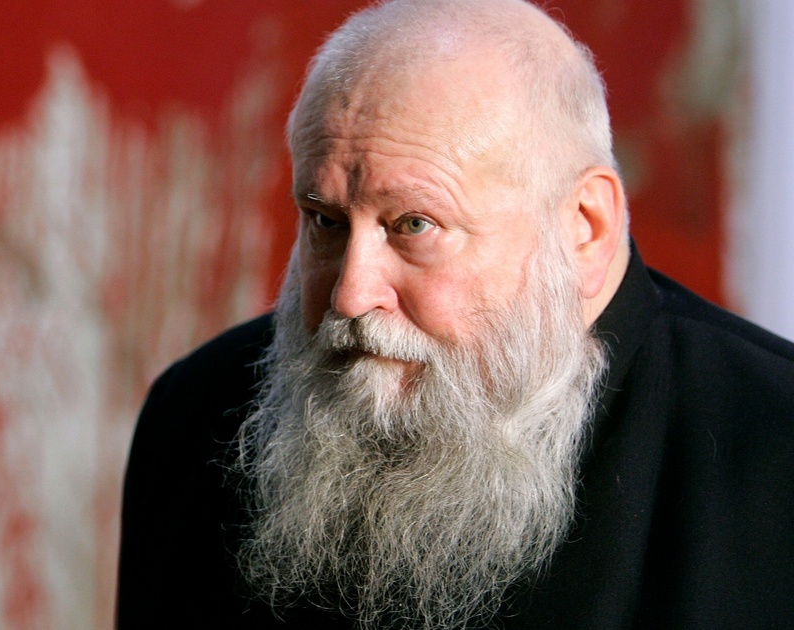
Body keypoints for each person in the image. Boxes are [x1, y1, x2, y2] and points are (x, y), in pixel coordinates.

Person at [116, 0, 794, 628]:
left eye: (413, 224)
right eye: (324, 221)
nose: (351, 295)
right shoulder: (197, 417)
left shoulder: (775, 452)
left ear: (584, 228)